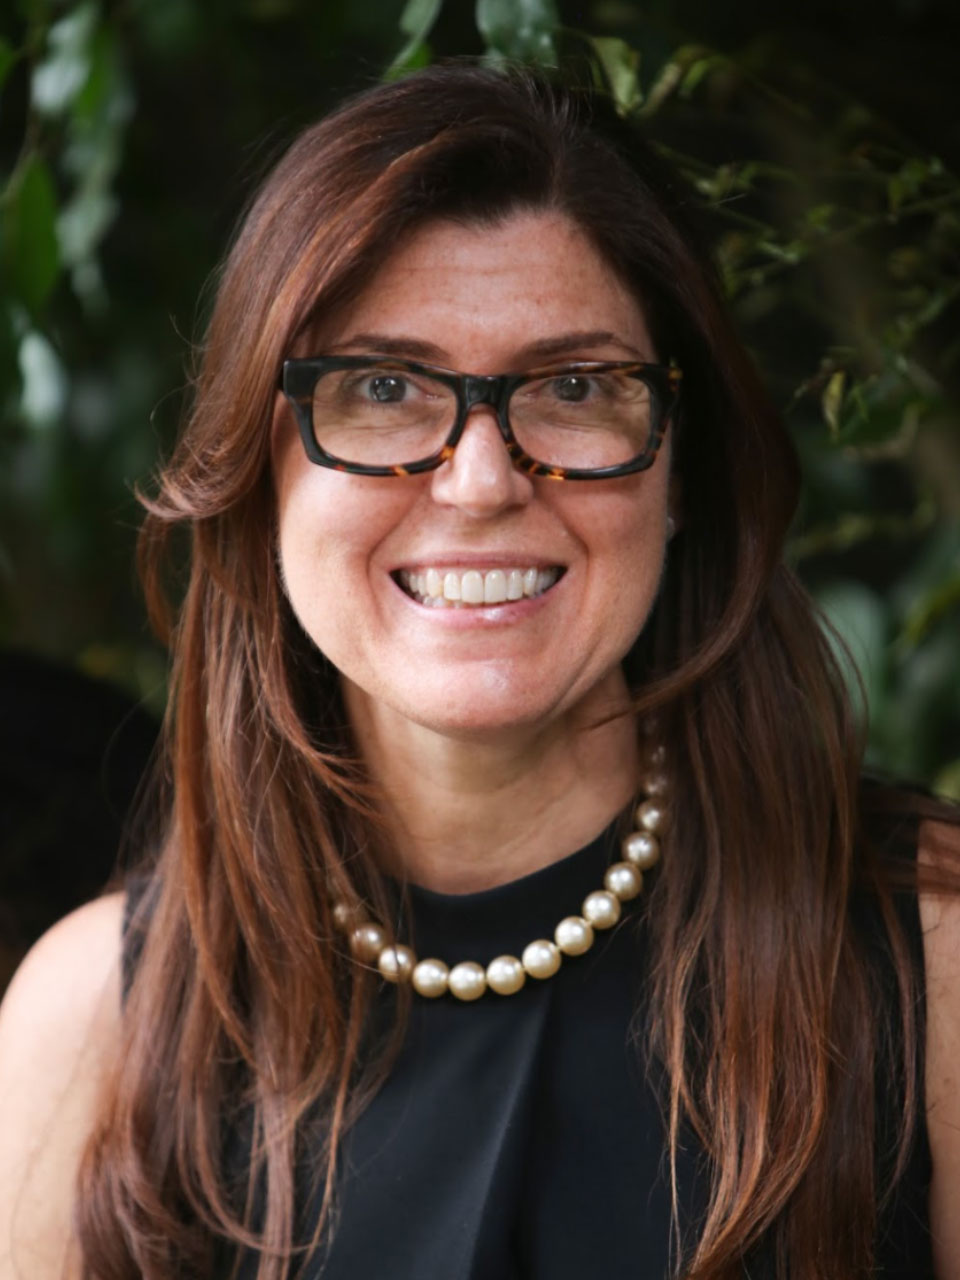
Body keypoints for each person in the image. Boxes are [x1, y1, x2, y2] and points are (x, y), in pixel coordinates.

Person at [0, 61, 958, 1280]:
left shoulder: (932, 958)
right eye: (384, 388)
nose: (480, 478)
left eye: (571, 387)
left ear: (682, 469)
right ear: (258, 474)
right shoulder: (92, 1024)